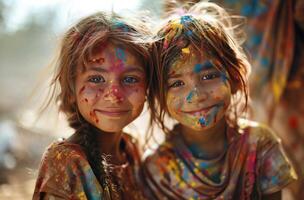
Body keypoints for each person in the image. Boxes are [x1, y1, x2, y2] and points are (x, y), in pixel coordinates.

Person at [143, 2, 297, 199]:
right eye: (176, 83)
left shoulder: (260, 145)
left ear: (234, 78)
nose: (197, 95)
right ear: (158, 96)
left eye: (208, 76)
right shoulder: (157, 170)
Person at [33, 11, 153, 199]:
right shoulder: (66, 162)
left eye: (130, 79)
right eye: (96, 78)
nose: (114, 96)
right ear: (71, 89)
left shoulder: (132, 150)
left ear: (148, 86)